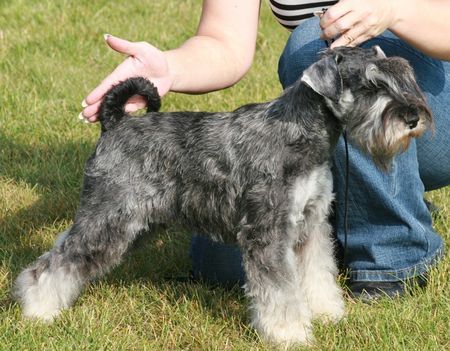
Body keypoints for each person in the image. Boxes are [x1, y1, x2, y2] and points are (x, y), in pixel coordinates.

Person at [80, 0, 450, 299]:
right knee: (224, 261)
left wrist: (396, 8)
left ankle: (392, 257)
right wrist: (169, 68)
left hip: (431, 89)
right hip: (327, 118)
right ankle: (352, 215)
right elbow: (223, 41)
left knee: (309, 41)